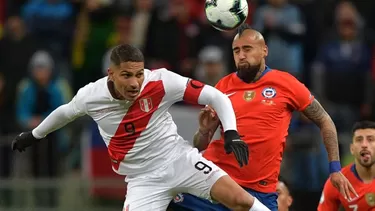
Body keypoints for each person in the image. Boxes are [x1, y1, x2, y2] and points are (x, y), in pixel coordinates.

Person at [11, 44, 272, 211]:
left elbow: (216, 96)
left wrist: (231, 131)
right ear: (110, 74)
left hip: (180, 159)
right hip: (142, 181)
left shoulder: (161, 82)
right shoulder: (91, 96)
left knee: (241, 201)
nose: (135, 82)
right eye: (126, 75)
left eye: (139, 73)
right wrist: (34, 135)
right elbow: (64, 112)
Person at [169, 24, 357, 211]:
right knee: (164, 197)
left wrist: (335, 168)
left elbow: (325, 121)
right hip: (217, 182)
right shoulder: (223, 86)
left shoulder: (286, 83)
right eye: (236, 50)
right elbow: (200, 144)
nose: (241, 55)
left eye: (247, 49)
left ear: (264, 50)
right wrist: (203, 131)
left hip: (259, 191)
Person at [318, 121, 375, 211]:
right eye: (359, 140)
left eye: (370, 139)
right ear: (352, 149)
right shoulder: (338, 182)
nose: (364, 145)